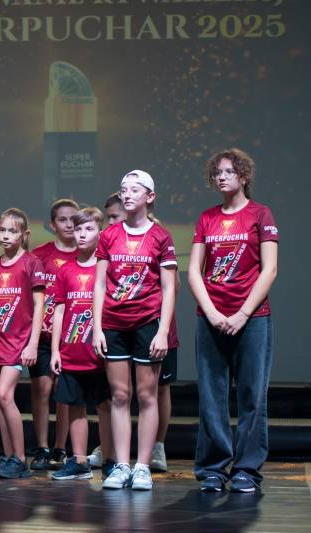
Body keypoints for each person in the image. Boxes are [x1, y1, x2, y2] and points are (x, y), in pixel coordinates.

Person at [189, 149, 278, 493]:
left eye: (228, 171)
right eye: (217, 173)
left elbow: (269, 269)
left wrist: (242, 314)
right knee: (212, 397)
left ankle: (246, 470)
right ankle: (213, 469)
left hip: (252, 319)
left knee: (252, 396)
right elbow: (194, 271)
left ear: (244, 176)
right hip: (210, 319)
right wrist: (212, 313)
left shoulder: (260, 213)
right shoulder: (207, 217)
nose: (222, 177)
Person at [92, 170, 177, 491]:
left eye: (134, 190)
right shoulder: (109, 235)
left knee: (146, 395)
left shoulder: (161, 237)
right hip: (113, 325)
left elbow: (169, 288)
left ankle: (142, 466)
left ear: (149, 197)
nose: (127, 195)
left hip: (147, 324)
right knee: (119, 395)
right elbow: (100, 284)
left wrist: (163, 331)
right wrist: (97, 328)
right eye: (123, 190)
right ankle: (121, 465)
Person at [49, 207, 114, 481]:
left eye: (89, 229)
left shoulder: (107, 268)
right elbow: (60, 311)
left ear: (100, 232)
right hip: (71, 351)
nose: (82, 234)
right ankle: (78, 461)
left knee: (105, 406)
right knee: (75, 406)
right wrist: (55, 350)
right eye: (78, 229)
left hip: (99, 352)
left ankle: (111, 460)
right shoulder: (65, 270)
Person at [0, 208, 45, 479]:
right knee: (0, 400)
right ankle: (8, 458)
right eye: (2, 230)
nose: (6, 235)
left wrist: (32, 344)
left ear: (24, 234)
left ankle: (20, 459)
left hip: (18, 342)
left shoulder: (31, 263)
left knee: (5, 395)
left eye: (12, 231)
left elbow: (39, 306)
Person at [29, 199, 78, 470]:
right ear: (52, 224)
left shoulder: (86, 255)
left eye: (73, 219)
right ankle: (41, 447)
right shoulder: (39, 255)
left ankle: (60, 448)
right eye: (62, 219)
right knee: (42, 390)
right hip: (43, 337)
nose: (69, 224)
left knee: (64, 392)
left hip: (71, 338)